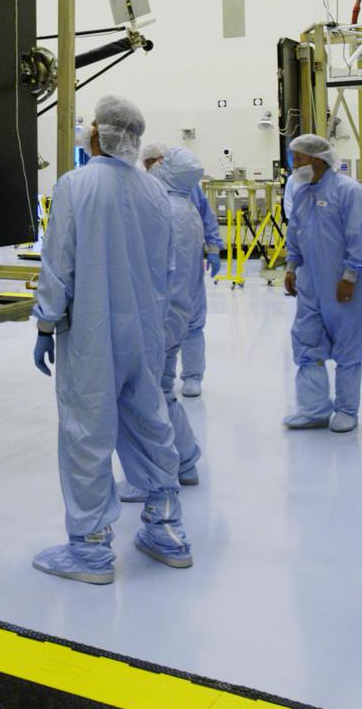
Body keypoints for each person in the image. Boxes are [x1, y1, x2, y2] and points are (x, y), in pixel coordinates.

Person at [31, 96, 193, 584]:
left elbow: (59, 263)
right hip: (144, 331)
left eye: (91, 125)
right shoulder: (154, 193)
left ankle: (91, 551)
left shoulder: (75, 186)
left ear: (101, 133)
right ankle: (166, 530)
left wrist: (44, 322)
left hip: (92, 331)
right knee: (149, 423)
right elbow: (165, 270)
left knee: (87, 431)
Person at [121, 147, 204, 501]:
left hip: (160, 318)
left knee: (147, 398)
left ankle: (152, 476)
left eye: (160, 164)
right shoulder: (186, 209)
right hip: (174, 316)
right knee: (162, 393)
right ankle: (185, 461)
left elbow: (153, 271)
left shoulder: (166, 211)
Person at [283, 134, 362, 433]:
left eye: (300, 159)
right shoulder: (301, 191)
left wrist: (350, 276)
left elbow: (358, 236)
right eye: (293, 158)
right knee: (307, 342)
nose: (295, 164)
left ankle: (347, 410)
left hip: (343, 284)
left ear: (319, 159)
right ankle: (314, 409)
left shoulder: (348, 191)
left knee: (348, 344)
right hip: (310, 284)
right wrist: (291, 266)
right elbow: (294, 232)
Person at [142, 142, 221, 396]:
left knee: (188, 320)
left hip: (187, 266)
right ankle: (164, 376)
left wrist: (213, 248)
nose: (150, 168)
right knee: (170, 320)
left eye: (153, 163)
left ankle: (191, 375)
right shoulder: (147, 189)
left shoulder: (186, 193)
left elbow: (207, 217)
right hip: (166, 271)